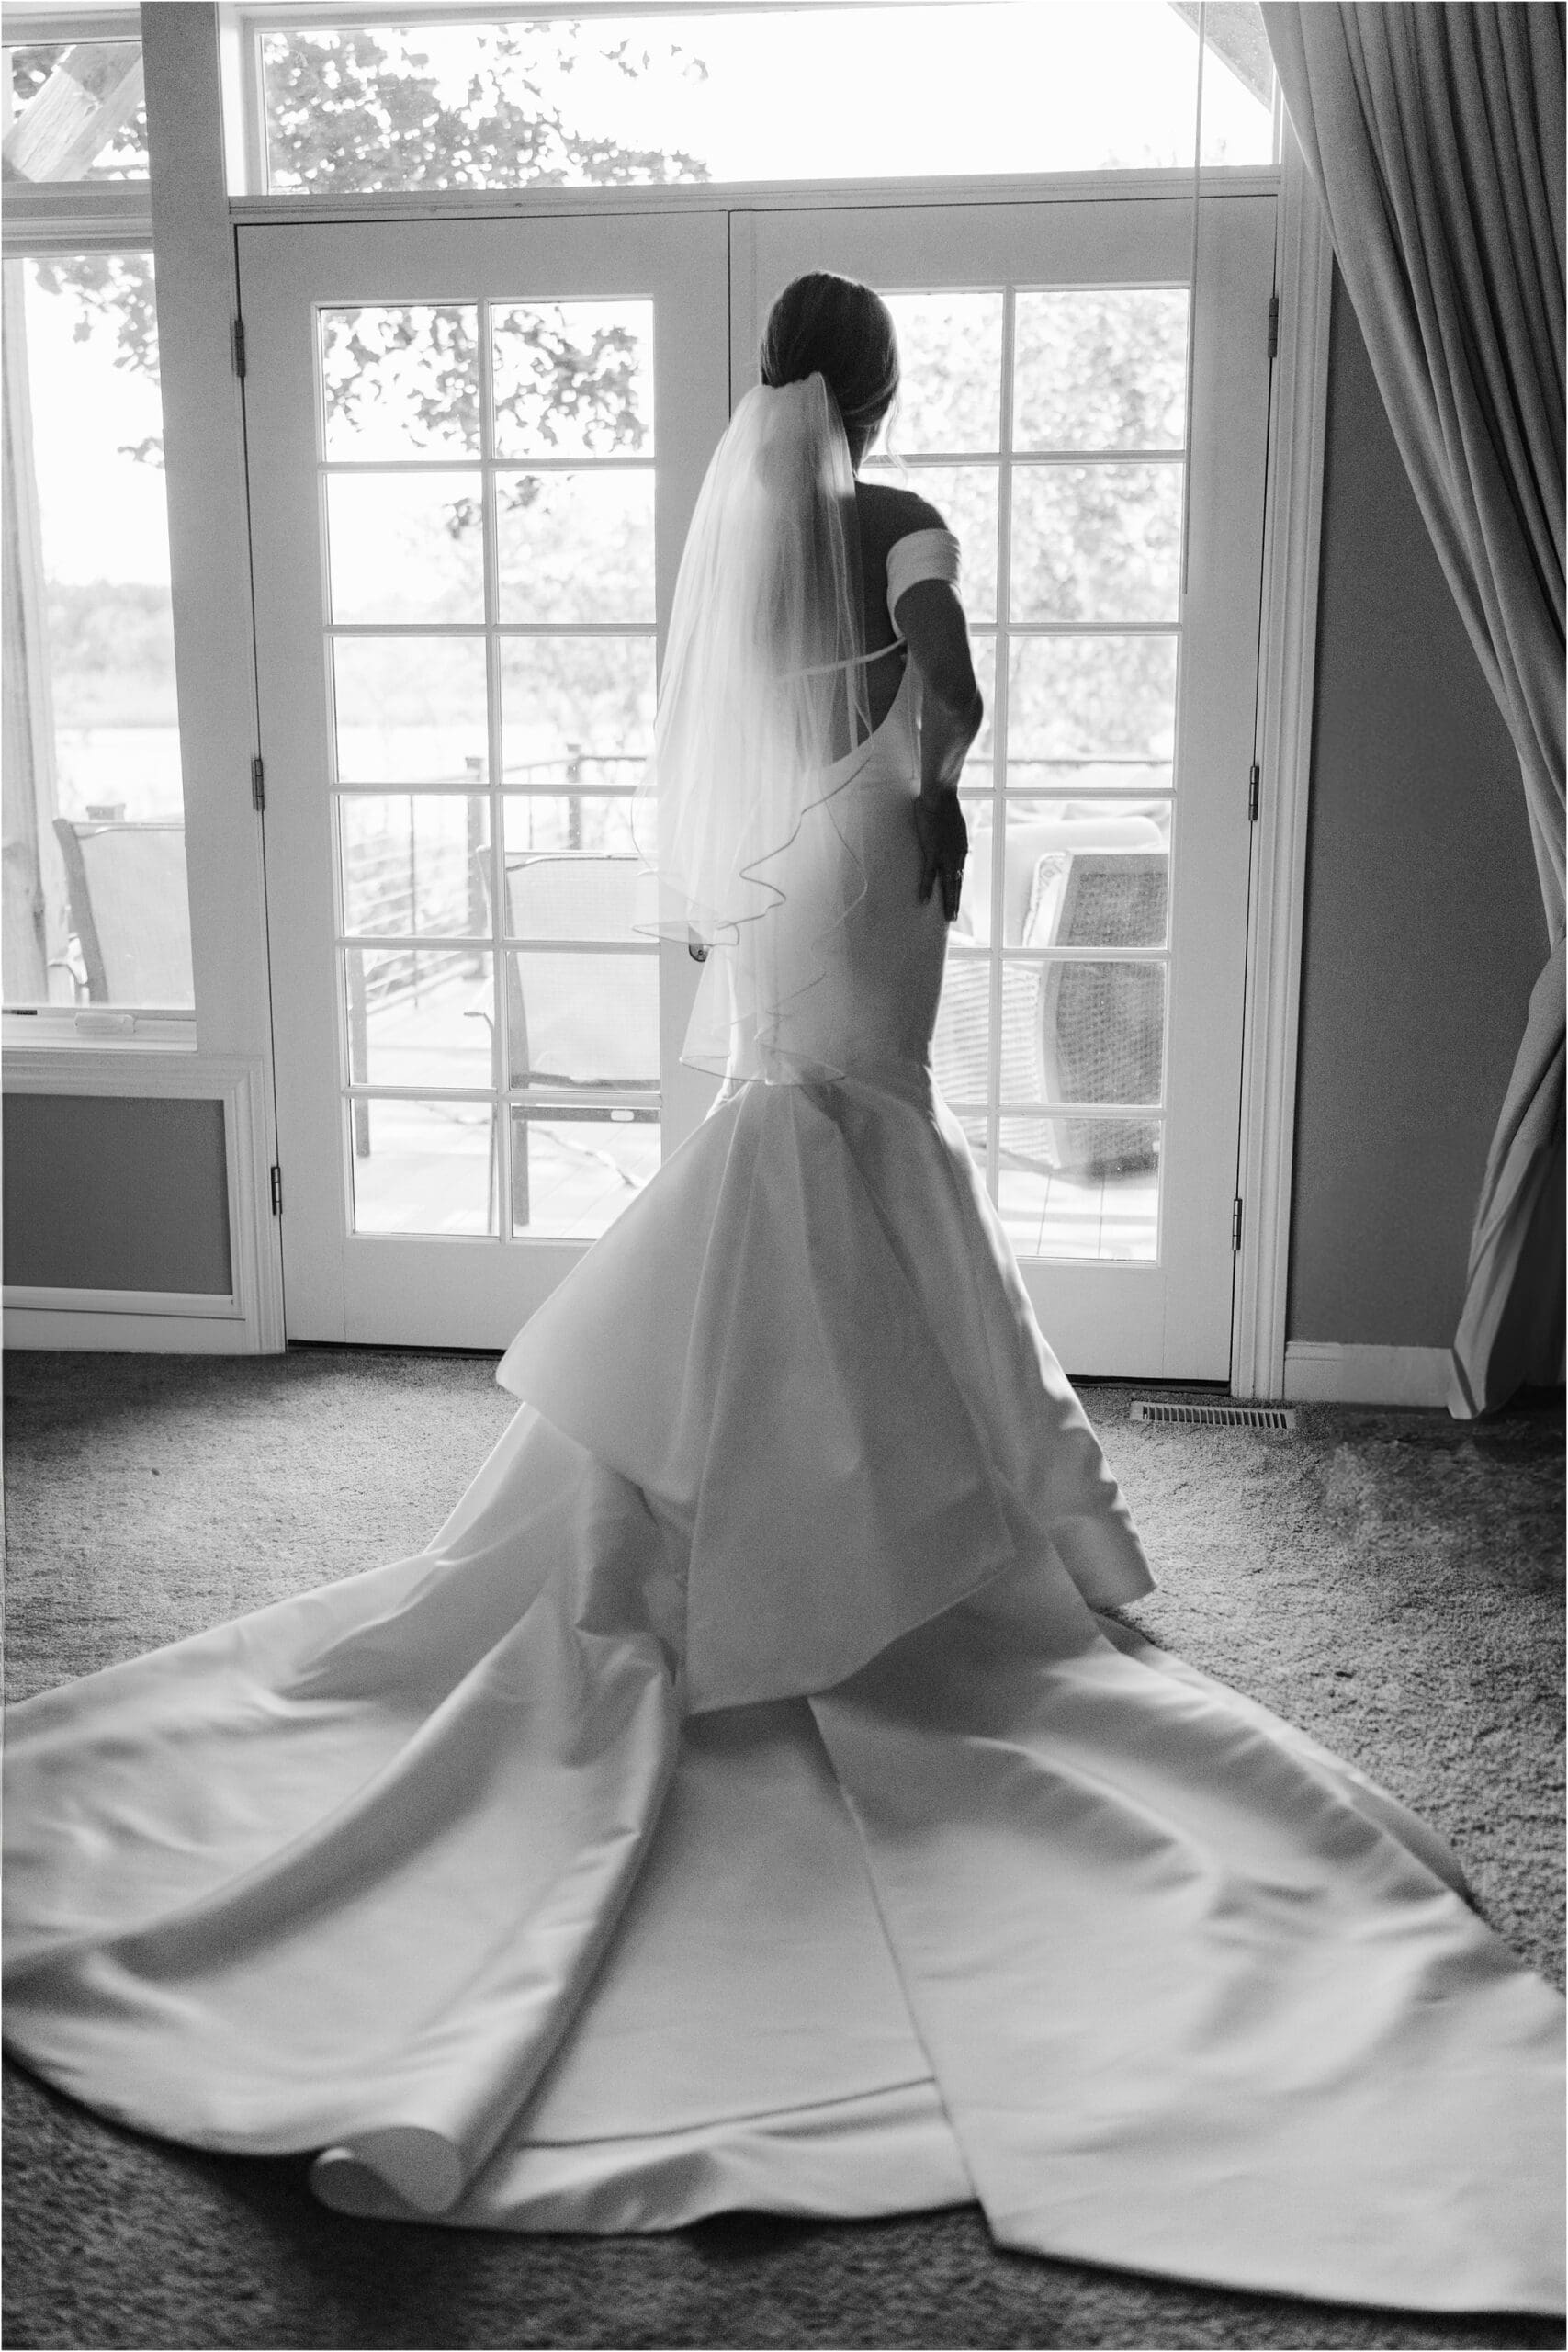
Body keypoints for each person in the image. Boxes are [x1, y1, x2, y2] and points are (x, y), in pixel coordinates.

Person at [4, 273, 1562, 2317]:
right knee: (876, 1126)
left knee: (788, 1113)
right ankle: (890, 1561)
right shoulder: (901, 513)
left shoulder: (739, 541)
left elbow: (727, 737)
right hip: (873, 840)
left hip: (779, 869)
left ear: (774, 387)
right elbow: (952, 680)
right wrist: (932, 768)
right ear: (880, 390)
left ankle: (679, 1528)